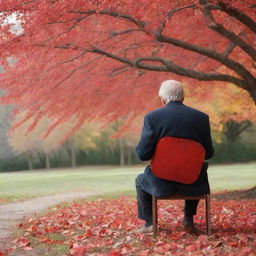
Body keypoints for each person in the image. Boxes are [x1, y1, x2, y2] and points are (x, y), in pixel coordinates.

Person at [135, 80, 214, 233]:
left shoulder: (152, 118)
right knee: (197, 168)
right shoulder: (201, 118)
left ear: (162, 99)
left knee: (140, 180)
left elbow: (143, 154)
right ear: (183, 97)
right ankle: (188, 220)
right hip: (194, 185)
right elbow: (209, 153)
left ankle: (150, 223)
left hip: (161, 183)